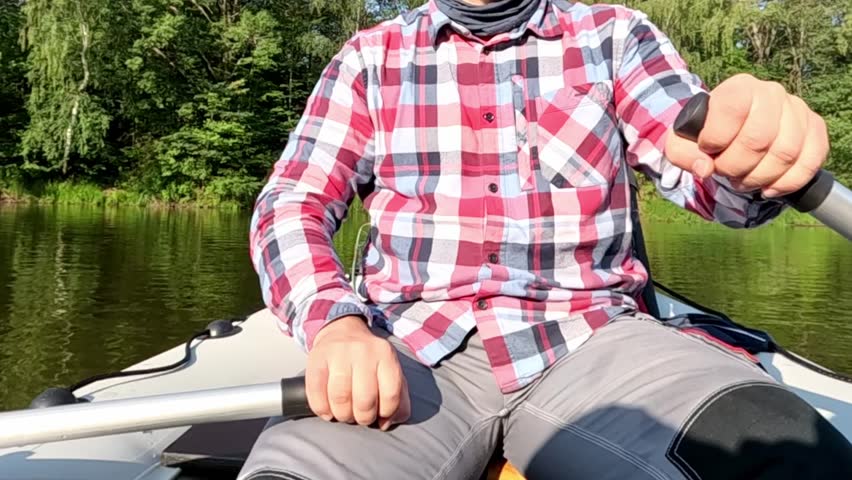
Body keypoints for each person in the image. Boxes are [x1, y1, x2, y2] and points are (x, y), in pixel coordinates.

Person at [239, 0, 852, 478]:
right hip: (407, 349)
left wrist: (750, 148)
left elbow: (708, 178)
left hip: (598, 343)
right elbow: (293, 202)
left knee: (791, 458)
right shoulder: (367, 59)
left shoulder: (615, 37)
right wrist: (335, 324)